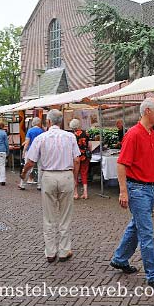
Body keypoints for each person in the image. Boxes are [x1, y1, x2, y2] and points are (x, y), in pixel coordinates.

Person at [110, 97, 154, 293]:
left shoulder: (151, 134)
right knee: (146, 233)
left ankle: (120, 259)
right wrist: (123, 191)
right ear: (147, 112)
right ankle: (153, 276)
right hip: (137, 190)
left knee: (136, 227)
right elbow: (121, 164)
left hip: (148, 188)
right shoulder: (134, 135)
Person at [21, 109, 80, 263]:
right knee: (65, 216)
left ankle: (50, 252)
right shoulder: (70, 137)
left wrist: (24, 174)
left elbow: (31, 161)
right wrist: (74, 179)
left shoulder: (41, 138)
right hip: (66, 175)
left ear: (48, 122)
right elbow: (77, 160)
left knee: (48, 216)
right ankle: (64, 251)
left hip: (48, 176)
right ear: (60, 122)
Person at [69, 118, 91, 200]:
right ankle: (85, 193)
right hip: (85, 156)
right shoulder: (86, 133)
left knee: (75, 174)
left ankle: (75, 193)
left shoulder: (72, 135)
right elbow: (89, 145)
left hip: (76, 156)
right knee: (84, 173)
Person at [20, 117, 45, 190]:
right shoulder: (42, 131)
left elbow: (27, 142)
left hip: (31, 151)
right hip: (40, 151)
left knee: (27, 167)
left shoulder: (30, 130)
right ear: (39, 123)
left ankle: (23, 184)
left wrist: (24, 152)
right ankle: (39, 185)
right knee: (40, 168)